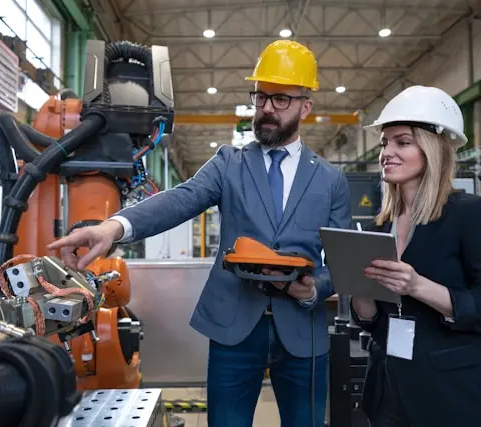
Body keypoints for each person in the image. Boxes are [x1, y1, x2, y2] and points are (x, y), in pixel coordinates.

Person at [48, 40, 351, 426]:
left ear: (306, 106)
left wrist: (315, 289)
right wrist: (113, 227)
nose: (267, 109)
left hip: (302, 330)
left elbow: (340, 261)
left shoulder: (330, 180)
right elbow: (181, 199)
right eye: (260, 97)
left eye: (281, 99)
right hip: (234, 325)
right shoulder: (229, 163)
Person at [350, 85, 481, 427]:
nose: (387, 152)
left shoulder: (469, 214)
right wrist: (360, 290)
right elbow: (371, 320)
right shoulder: (377, 227)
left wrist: (418, 286)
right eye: (385, 143)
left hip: (454, 398)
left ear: (432, 148)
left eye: (402, 142)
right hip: (388, 393)